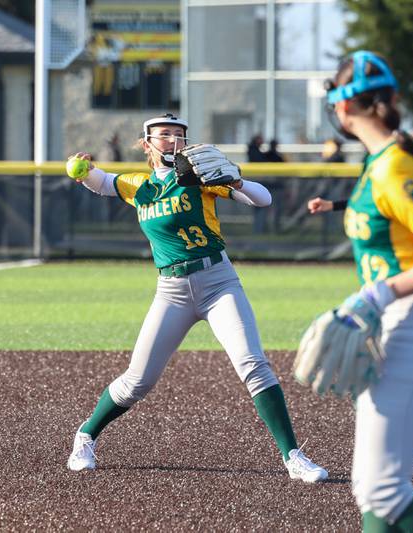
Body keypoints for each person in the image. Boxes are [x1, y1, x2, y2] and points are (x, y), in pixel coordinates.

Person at [65, 113, 328, 483]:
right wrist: (82, 170)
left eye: (178, 134)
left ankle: (293, 457)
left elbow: (263, 199)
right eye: (164, 135)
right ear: (147, 143)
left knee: (253, 364)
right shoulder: (138, 186)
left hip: (218, 282)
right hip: (171, 292)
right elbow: (102, 183)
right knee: (138, 382)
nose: (172, 140)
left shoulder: (200, 178)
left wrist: (235, 180)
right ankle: (86, 436)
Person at [307, 51, 413, 531]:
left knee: (382, 488)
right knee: (372, 487)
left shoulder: (392, 165)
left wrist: (375, 295)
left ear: (342, 108)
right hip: (398, 320)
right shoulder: (382, 161)